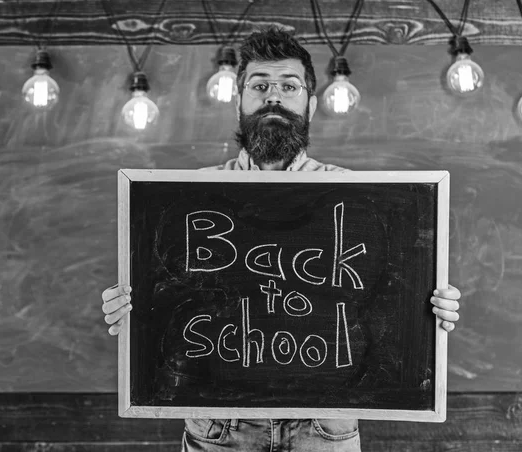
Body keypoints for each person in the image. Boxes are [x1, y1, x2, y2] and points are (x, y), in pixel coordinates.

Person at [101, 28, 461, 452]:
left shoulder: (361, 199)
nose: (274, 96)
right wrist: (128, 308)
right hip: (220, 426)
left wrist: (432, 307)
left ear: (310, 103)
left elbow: (395, 298)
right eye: (260, 86)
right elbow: (162, 303)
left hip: (326, 425)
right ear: (239, 102)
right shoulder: (188, 199)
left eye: (289, 86)